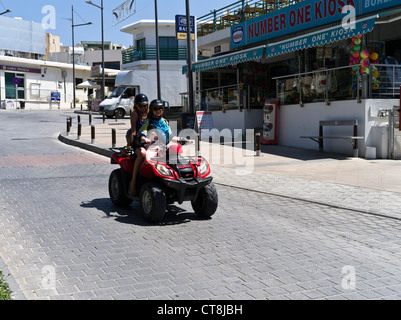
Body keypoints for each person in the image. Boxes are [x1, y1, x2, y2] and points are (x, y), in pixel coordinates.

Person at [125, 93, 149, 196]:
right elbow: (133, 132)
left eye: (144, 105)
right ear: (136, 105)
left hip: (150, 142)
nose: (142, 108)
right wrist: (127, 147)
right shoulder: (135, 114)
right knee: (142, 154)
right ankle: (133, 183)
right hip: (138, 143)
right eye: (140, 105)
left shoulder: (150, 113)